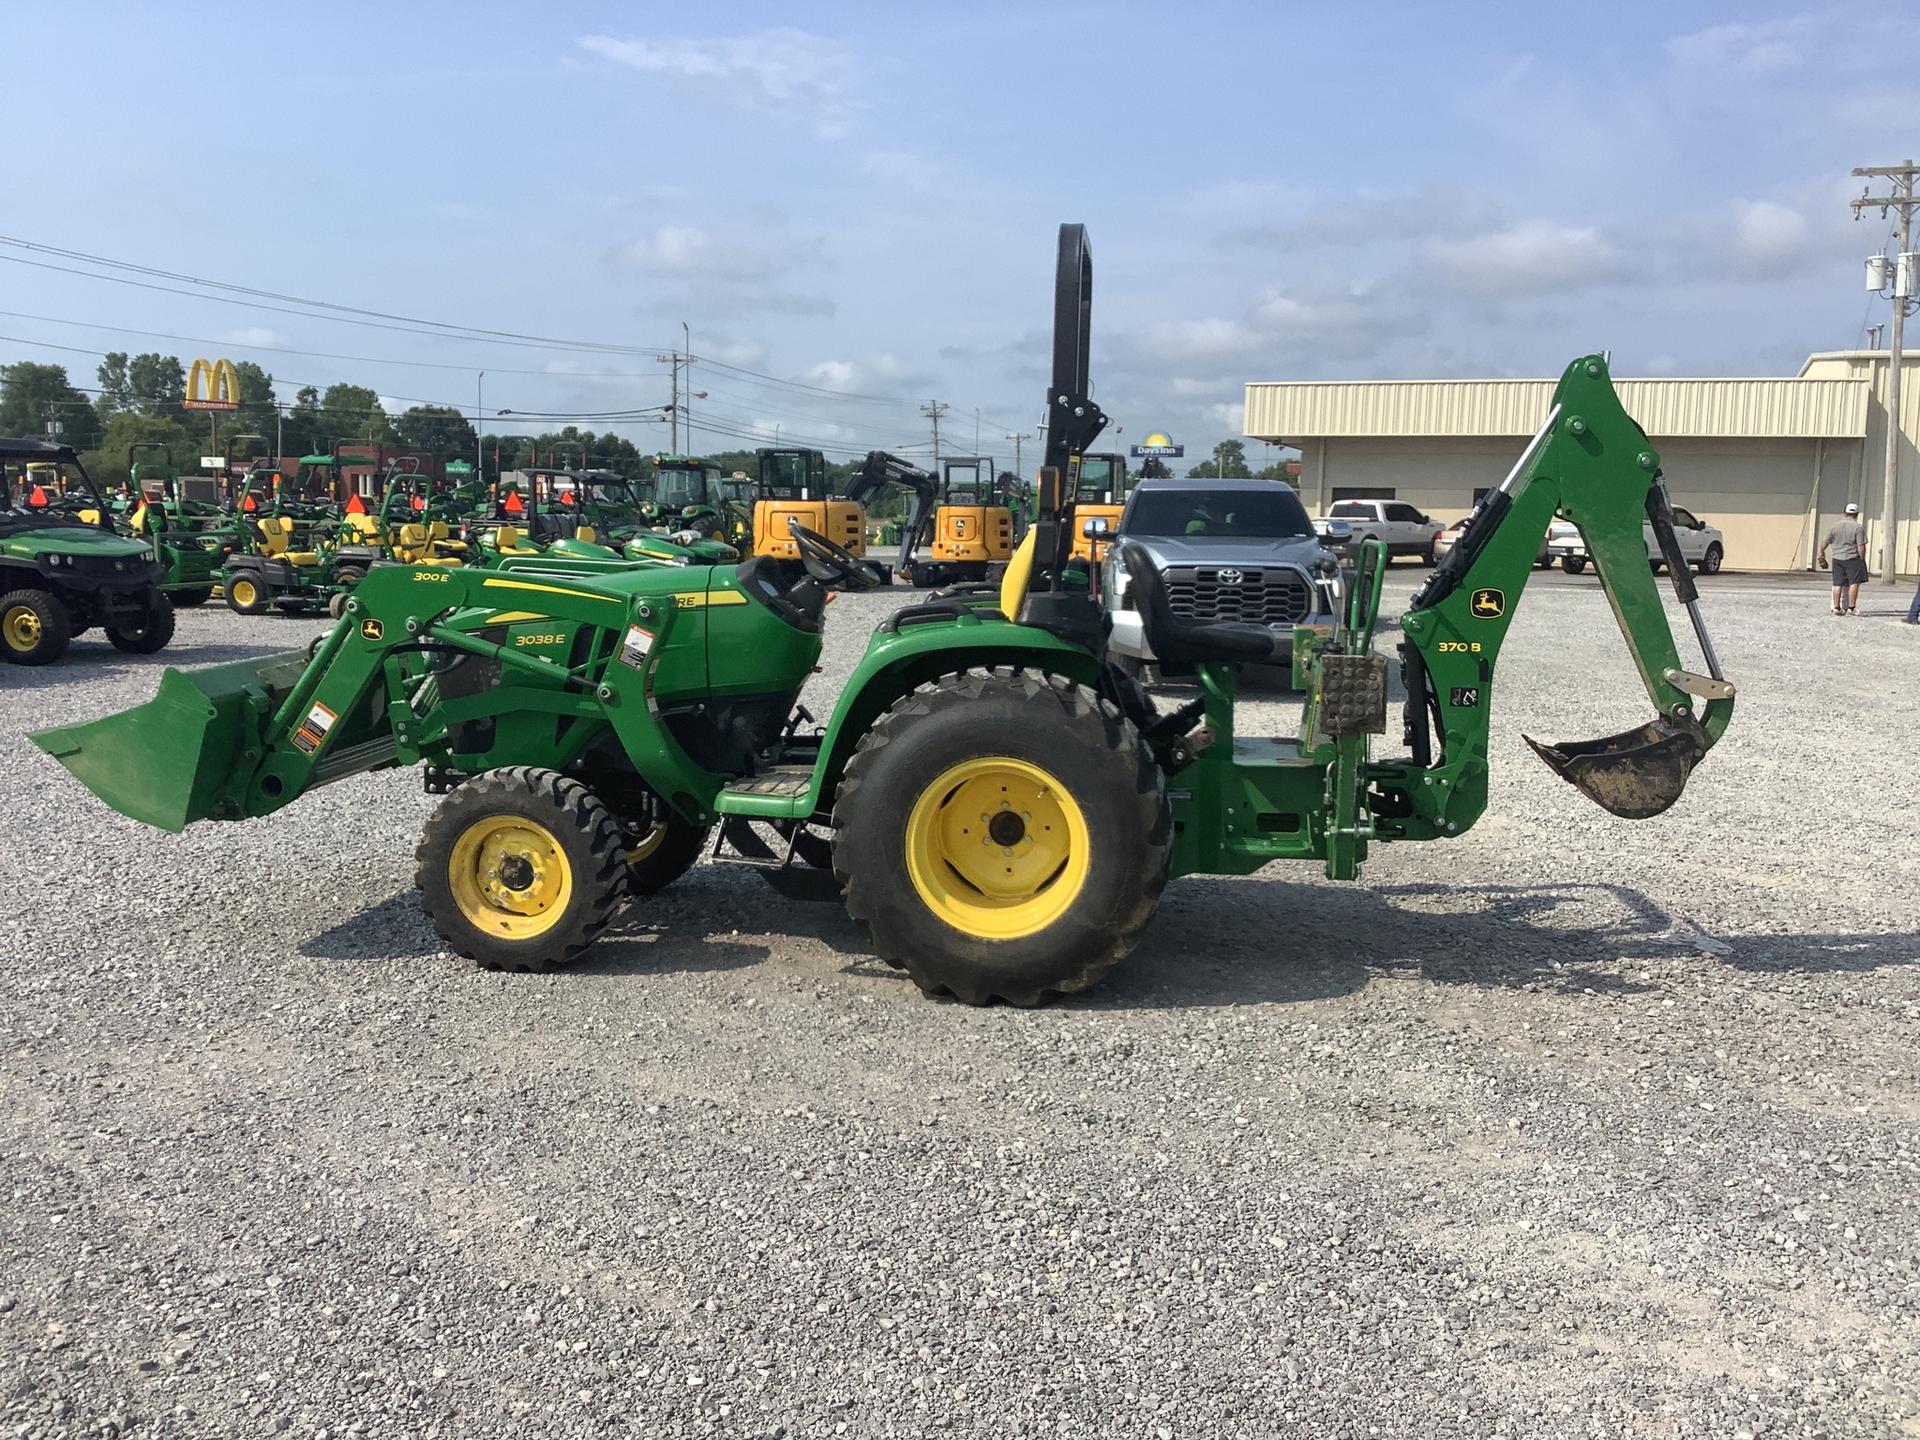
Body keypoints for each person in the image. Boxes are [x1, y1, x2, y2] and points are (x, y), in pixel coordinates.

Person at [1818, 503, 1869, 616]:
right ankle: (1851, 607)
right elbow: (1861, 546)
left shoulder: (1834, 526)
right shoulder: (1858, 527)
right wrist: (1862, 559)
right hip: (1852, 558)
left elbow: (1825, 542)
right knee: (1854, 583)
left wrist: (1821, 553)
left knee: (1837, 583)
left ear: (1845, 513)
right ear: (1856, 514)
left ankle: (1836, 607)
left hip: (1837, 558)